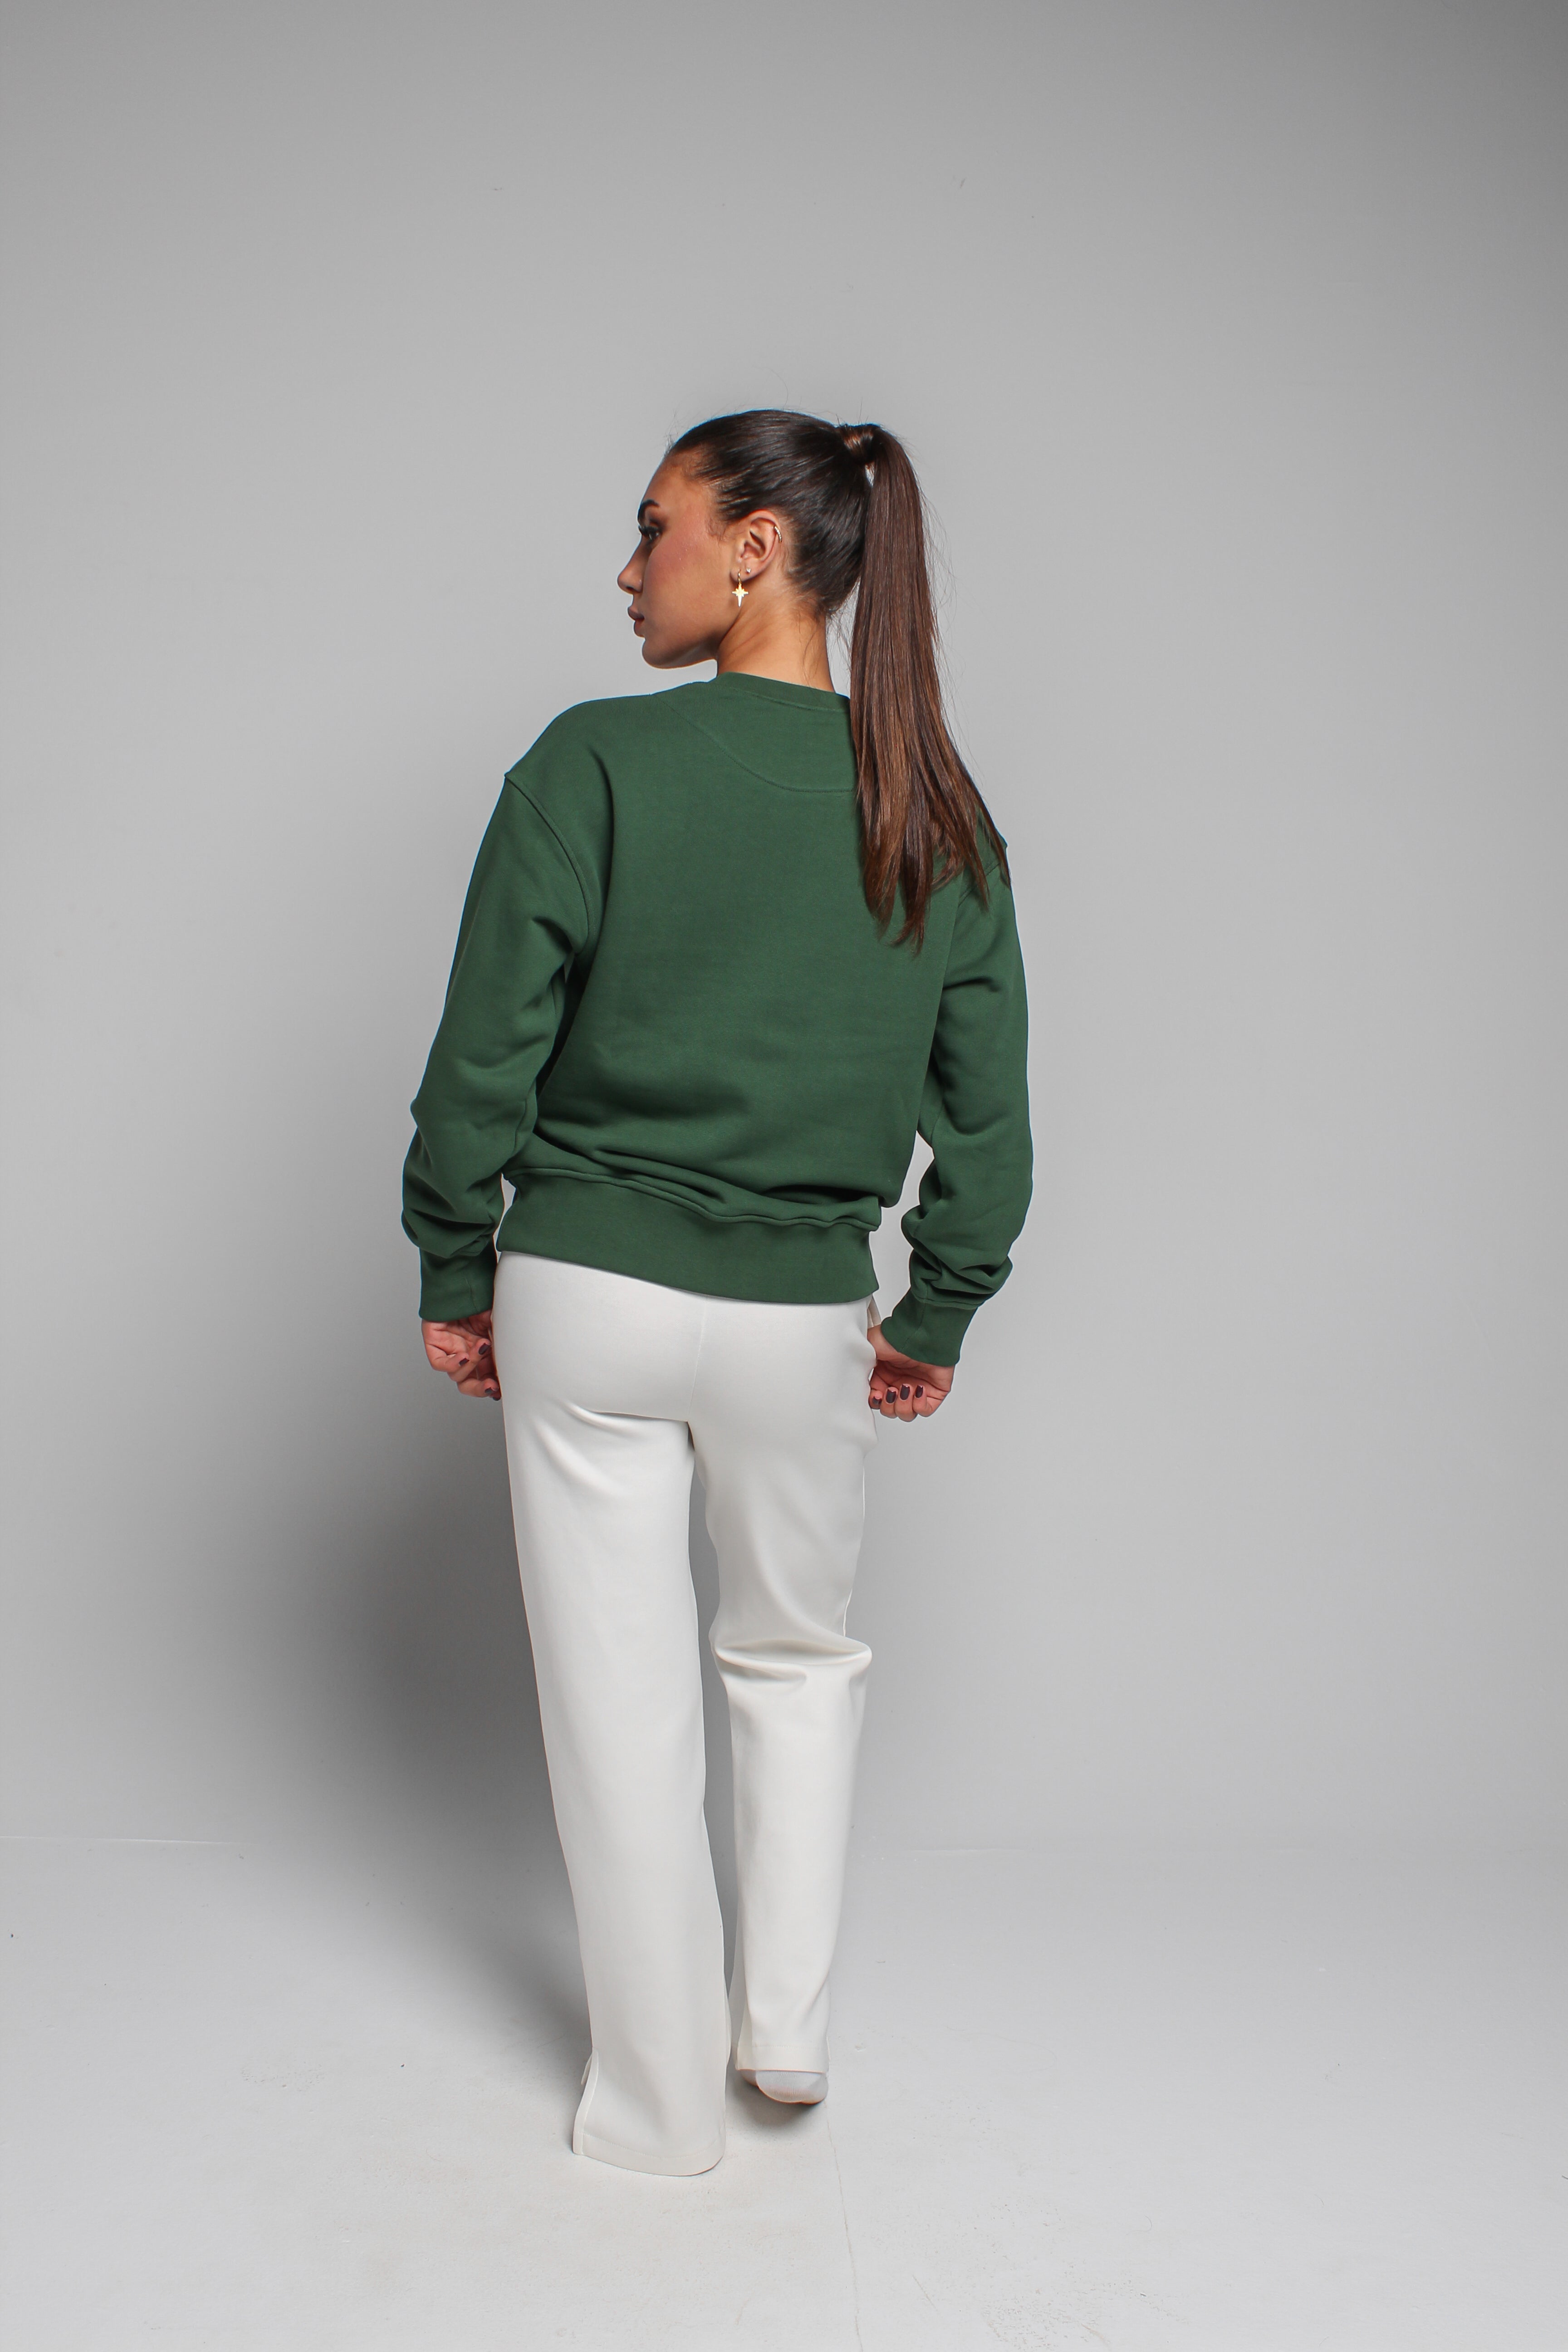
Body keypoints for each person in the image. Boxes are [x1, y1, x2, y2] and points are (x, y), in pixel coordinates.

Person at [402, 409, 1032, 2176]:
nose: (629, 569)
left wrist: (454, 1259)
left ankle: (658, 2108)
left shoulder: (593, 763)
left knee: (618, 1708)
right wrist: (936, 1309)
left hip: (585, 1292)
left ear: (757, 549)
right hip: (798, 1317)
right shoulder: (938, 812)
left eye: (656, 526)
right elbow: (991, 1124)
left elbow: (480, 1062)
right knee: (798, 1655)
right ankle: (788, 2031)